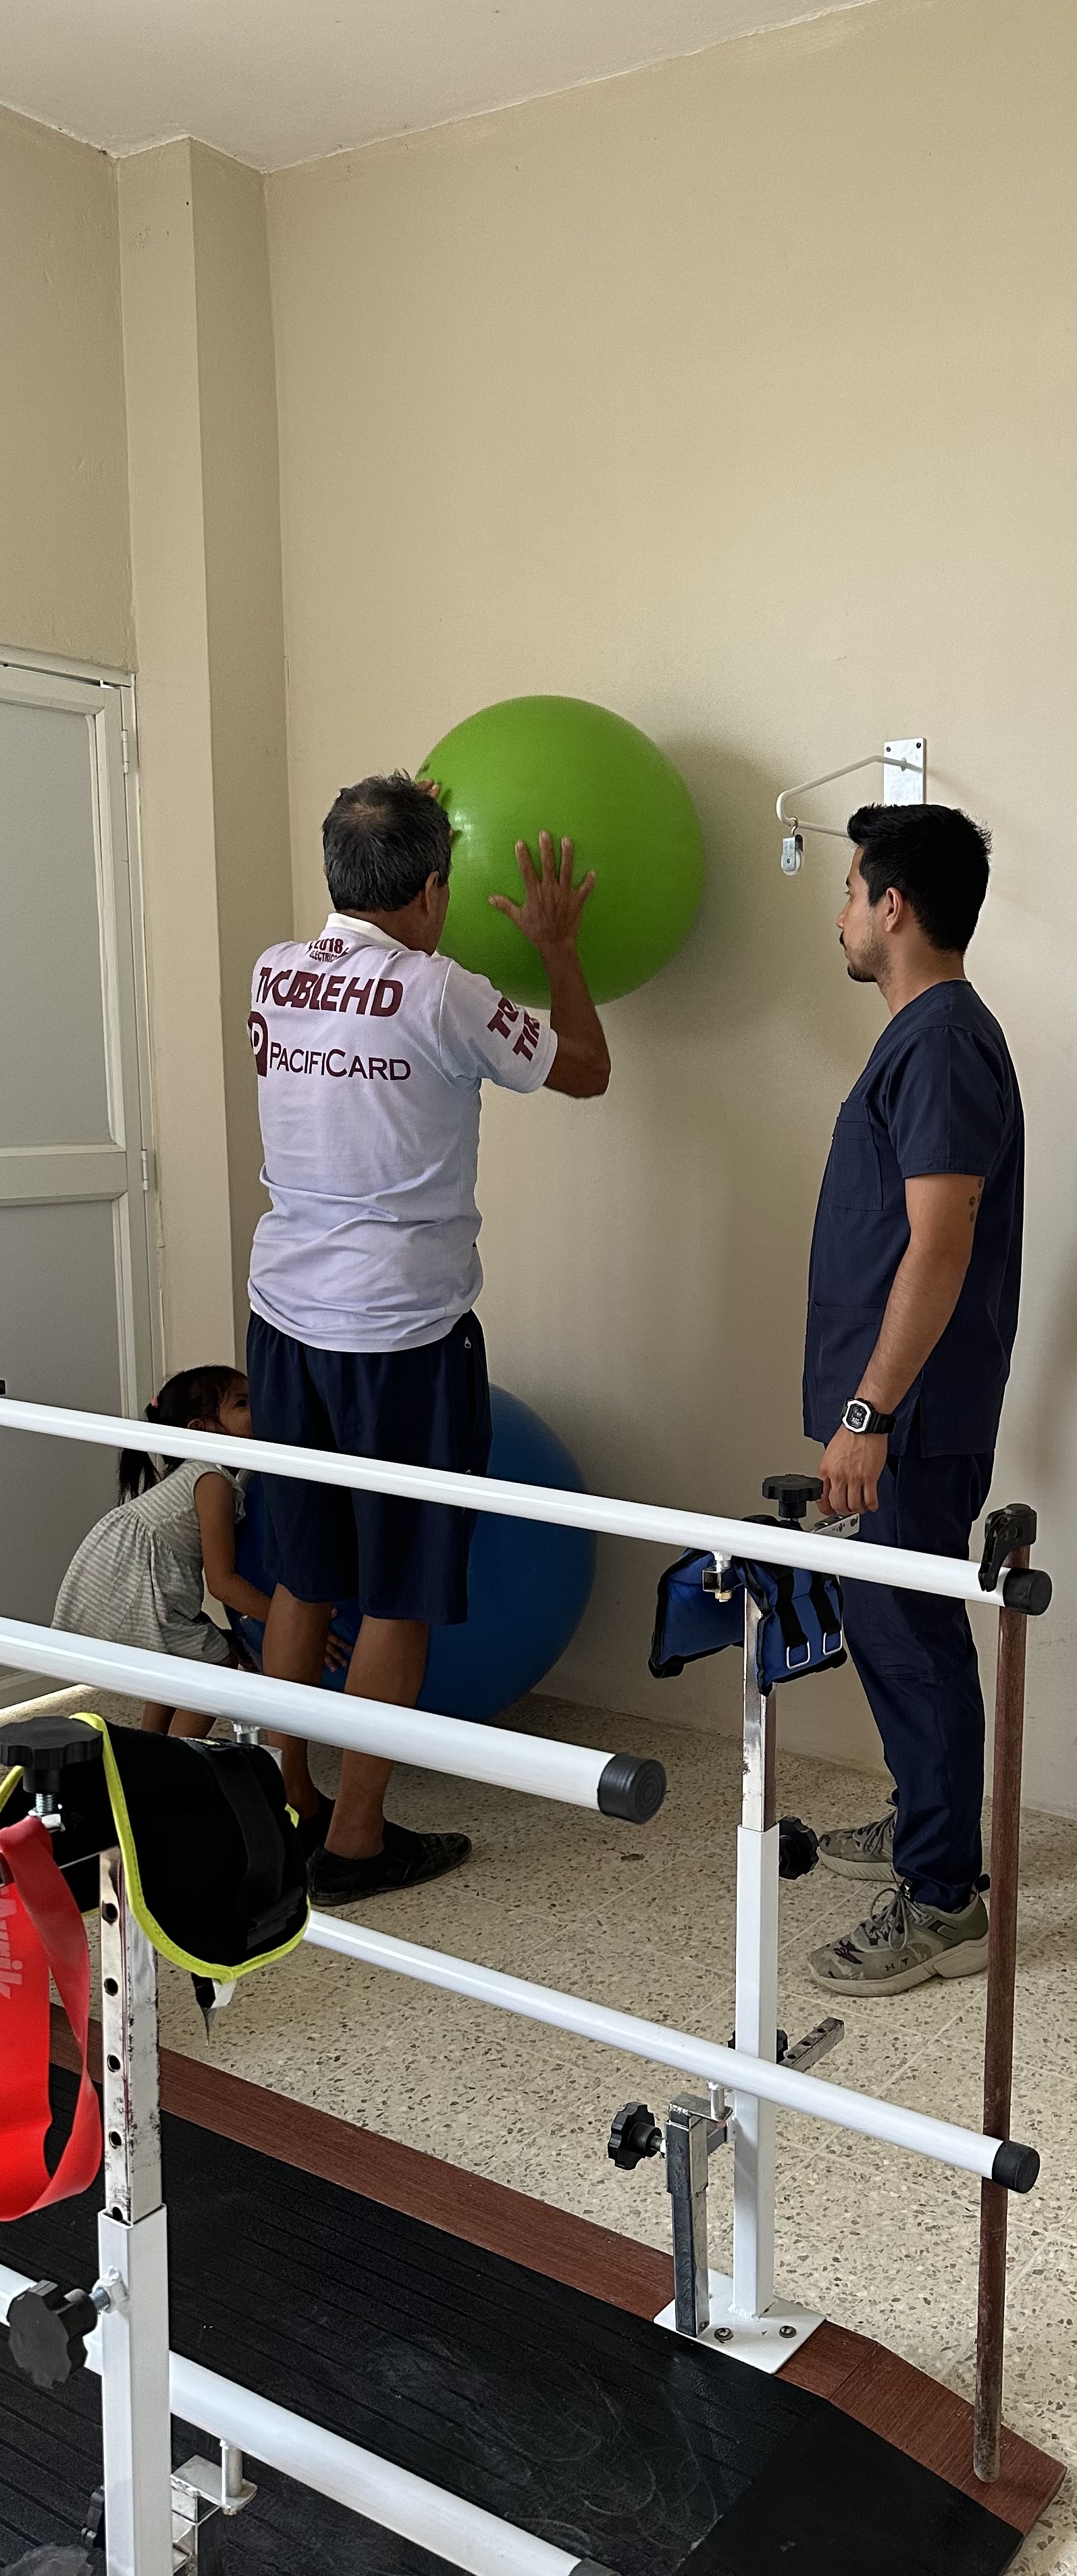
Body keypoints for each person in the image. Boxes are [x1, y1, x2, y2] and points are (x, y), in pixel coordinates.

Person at [246, 772, 610, 1907]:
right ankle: (356, 1841)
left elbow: (367, 931)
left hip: (284, 1318)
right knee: (396, 1588)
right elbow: (586, 1068)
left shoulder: (273, 970)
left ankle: (284, 1802)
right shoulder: (444, 992)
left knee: (305, 1572)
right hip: (400, 1332)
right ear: (434, 888)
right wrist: (556, 947)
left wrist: (396, 823)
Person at [803, 804, 1023, 1997]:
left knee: (910, 1631)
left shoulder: (938, 1043)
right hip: (895, 1402)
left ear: (891, 906)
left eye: (850, 890)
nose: (840, 913)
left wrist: (869, 1413)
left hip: (912, 1412)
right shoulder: (923, 1036)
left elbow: (939, 1244)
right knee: (885, 1620)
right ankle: (922, 1815)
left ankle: (943, 1897)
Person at [52, 1366, 277, 1744]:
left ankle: (150, 1749)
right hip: (130, 1592)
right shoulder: (212, 1481)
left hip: (117, 1585)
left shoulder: (196, 1475)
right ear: (202, 1429)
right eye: (243, 1404)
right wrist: (287, 1621)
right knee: (217, 1665)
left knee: (176, 1663)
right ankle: (178, 1757)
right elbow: (223, 1583)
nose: (259, 1409)